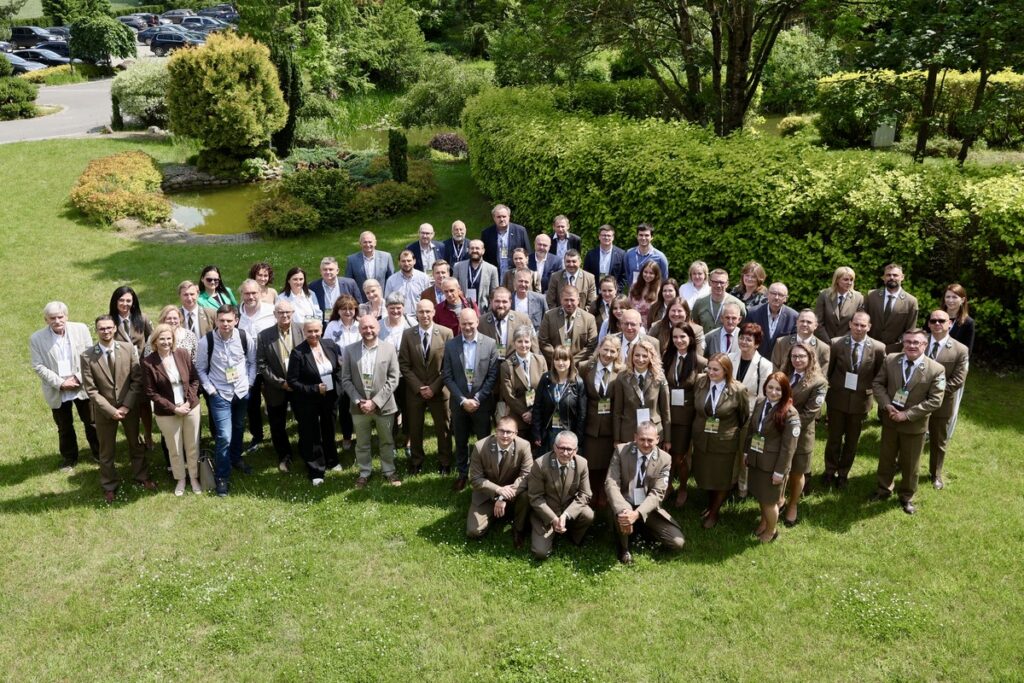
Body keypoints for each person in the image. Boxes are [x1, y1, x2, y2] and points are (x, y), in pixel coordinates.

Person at [871, 328, 946, 514]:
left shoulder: (936, 369)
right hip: (890, 419)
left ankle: (907, 496)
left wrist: (907, 414)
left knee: (910, 463)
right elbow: (878, 384)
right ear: (903, 343)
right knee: (886, 458)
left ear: (925, 345)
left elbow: (935, 400)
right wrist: (887, 406)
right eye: (908, 342)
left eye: (916, 342)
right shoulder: (890, 360)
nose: (911, 346)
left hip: (914, 425)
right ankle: (883, 489)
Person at [81, 315, 155, 502]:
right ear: (96, 331)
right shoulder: (87, 356)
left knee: (135, 444)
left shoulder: (128, 349)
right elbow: (91, 390)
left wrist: (126, 406)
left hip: (129, 407)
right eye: (102, 328)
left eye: (109, 328)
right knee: (106, 451)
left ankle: (142, 476)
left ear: (115, 328)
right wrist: (111, 410)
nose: (106, 331)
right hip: (104, 411)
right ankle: (109, 485)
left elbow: (137, 379)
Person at [29, 301, 98, 471]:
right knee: (64, 426)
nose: (57, 321)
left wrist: (78, 378)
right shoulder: (36, 339)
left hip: (81, 386)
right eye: (52, 318)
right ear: (46, 320)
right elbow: (38, 365)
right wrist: (61, 383)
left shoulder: (81, 329)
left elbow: (90, 356)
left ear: (66, 317)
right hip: (57, 390)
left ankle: (98, 453)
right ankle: (69, 458)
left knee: (92, 421)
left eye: (60, 317)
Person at [196, 305, 257, 497]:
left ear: (236, 320)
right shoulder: (206, 342)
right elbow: (200, 369)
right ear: (216, 321)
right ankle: (222, 476)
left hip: (241, 391)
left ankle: (236, 458)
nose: (225, 324)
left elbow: (252, 362)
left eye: (229, 320)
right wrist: (211, 390)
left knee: (239, 427)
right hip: (220, 394)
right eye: (221, 320)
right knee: (224, 436)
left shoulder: (245, 338)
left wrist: (249, 383)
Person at [605, 422, 685, 564]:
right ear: (635, 437)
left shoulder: (665, 459)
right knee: (624, 515)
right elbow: (611, 483)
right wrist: (624, 510)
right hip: (626, 503)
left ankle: (641, 528)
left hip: (648, 508)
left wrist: (637, 514)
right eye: (642, 439)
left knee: (677, 542)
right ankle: (624, 549)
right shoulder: (621, 451)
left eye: (650, 440)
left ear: (657, 439)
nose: (646, 444)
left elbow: (658, 493)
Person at [822, 311, 885, 488]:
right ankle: (829, 470)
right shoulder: (836, 344)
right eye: (856, 324)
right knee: (834, 438)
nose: (859, 328)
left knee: (852, 440)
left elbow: (879, 374)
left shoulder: (878, 348)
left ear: (869, 327)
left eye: (863, 325)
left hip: (860, 402)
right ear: (850, 324)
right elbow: (829, 370)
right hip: (837, 400)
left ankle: (843, 473)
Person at [443, 308, 501, 491]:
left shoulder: (491, 344)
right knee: (460, 440)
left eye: (470, 323)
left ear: (477, 322)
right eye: (464, 324)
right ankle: (462, 473)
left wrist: (477, 398)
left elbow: (493, 376)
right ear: (459, 324)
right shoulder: (451, 345)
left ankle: (482, 474)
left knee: (483, 441)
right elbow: (447, 376)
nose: (467, 327)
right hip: (459, 404)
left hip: (481, 404)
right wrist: (462, 400)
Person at [341, 315, 402, 488]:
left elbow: (393, 378)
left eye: (371, 327)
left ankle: (389, 471)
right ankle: (364, 472)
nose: (368, 331)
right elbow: (345, 379)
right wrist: (359, 401)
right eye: (364, 327)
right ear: (359, 329)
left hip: (384, 406)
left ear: (378, 328)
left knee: (387, 441)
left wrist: (375, 402)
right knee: (362, 442)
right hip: (359, 406)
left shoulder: (389, 349)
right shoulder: (350, 350)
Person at [141, 324, 201, 496]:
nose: (166, 342)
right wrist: (174, 408)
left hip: (191, 408)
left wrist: (188, 403)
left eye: (169, 338)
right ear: (155, 341)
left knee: (192, 445)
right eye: (162, 339)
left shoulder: (182, 354)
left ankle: (194, 477)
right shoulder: (148, 362)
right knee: (174, 447)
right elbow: (151, 392)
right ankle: (181, 479)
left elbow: (194, 380)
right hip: (167, 413)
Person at [691, 353, 750, 528]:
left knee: (722, 478)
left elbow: (743, 416)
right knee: (707, 475)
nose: (711, 372)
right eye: (709, 368)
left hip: (724, 441)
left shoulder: (738, 390)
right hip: (702, 439)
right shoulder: (700, 383)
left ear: (726, 371)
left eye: (716, 369)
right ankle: (710, 505)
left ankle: (714, 512)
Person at [399, 299, 454, 475]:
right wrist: (419, 387)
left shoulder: (446, 333)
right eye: (421, 312)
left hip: (439, 390)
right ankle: (416, 461)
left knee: (442, 428)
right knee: (415, 428)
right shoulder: (408, 334)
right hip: (415, 392)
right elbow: (404, 364)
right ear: (416, 313)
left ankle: (445, 461)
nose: (425, 315)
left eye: (428, 311)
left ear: (434, 312)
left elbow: (448, 366)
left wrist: (433, 387)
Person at [744, 373, 800, 543]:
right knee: (762, 496)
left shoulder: (790, 413)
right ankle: (764, 521)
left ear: (785, 391)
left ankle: (771, 531)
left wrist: (780, 472)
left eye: (778, 389)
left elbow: (788, 447)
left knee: (769, 501)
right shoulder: (761, 402)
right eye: (770, 387)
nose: (773, 392)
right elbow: (752, 430)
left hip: (773, 465)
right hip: (757, 458)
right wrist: (746, 452)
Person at [287, 318, 343, 486]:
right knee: (311, 434)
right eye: (309, 331)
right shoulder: (298, 353)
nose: (313, 334)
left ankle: (332, 460)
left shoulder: (330, 345)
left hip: (330, 398)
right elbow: (292, 381)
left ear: (322, 330)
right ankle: (316, 469)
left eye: (316, 331)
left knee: (329, 429)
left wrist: (338, 390)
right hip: (308, 400)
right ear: (304, 332)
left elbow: (338, 369)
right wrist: (314, 389)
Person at [778, 343, 827, 527]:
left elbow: (810, 412)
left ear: (810, 358)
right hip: (779, 430)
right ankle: (780, 499)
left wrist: (787, 426)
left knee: (797, 472)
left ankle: (792, 505)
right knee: (782, 467)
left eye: (801, 356)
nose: (797, 360)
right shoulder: (784, 375)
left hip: (800, 433)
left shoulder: (818, 382)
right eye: (794, 356)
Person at [527, 430, 594, 560]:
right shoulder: (540, 464)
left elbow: (585, 494)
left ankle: (573, 537)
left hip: (568, 511)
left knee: (588, 514)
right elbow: (535, 498)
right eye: (561, 448)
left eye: (569, 449)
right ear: (554, 447)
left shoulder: (582, 463)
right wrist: (553, 519)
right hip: (546, 513)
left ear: (575, 450)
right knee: (541, 553)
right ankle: (545, 530)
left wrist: (566, 515)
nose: (565, 453)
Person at [466, 416, 533, 546]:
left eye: (509, 432)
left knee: (526, 495)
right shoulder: (480, 447)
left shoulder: (524, 446)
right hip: (487, 494)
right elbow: (475, 479)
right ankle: (496, 514)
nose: (505, 435)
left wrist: (502, 497)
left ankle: (518, 529)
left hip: (513, 493)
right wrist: (497, 490)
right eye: (501, 431)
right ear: (495, 431)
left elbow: (527, 475)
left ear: (516, 434)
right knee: (474, 532)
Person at [924, 309, 970, 490]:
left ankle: (935, 474)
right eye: (933, 321)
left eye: (941, 321)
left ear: (949, 324)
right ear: (928, 324)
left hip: (942, 402)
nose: (937, 324)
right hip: (916, 401)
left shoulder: (960, 350)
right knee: (910, 436)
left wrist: (935, 394)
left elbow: (958, 379)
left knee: (938, 440)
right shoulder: (918, 342)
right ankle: (902, 465)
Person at [663, 323, 707, 508]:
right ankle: (666, 487)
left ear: (690, 339)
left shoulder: (700, 362)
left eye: (683, 337)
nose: (679, 340)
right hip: (667, 414)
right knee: (666, 454)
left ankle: (682, 487)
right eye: (675, 337)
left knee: (679, 456)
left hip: (686, 418)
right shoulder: (667, 357)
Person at [257, 300, 301, 472]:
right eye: (280, 312)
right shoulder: (264, 336)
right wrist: (280, 383)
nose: (284, 315)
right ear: (274, 314)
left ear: (293, 312)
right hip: (276, 387)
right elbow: (262, 364)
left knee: (305, 420)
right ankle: (284, 455)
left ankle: (306, 451)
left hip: (299, 386)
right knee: (277, 424)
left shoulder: (302, 330)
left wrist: (297, 382)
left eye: (287, 312)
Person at [579, 336, 623, 508]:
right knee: (590, 463)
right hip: (589, 424)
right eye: (605, 349)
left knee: (606, 463)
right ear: (599, 348)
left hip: (609, 427)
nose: (608, 354)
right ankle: (590, 492)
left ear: (618, 353)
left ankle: (603, 493)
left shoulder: (622, 371)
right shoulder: (585, 367)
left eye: (613, 351)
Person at [110, 285, 154, 449]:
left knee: (144, 404)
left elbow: (153, 340)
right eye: (121, 300)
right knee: (128, 405)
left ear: (133, 302)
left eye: (129, 300)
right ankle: (133, 438)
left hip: (141, 369)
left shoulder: (142, 318)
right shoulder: (110, 321)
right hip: (120, 371)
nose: (125, 303)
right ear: (115, 301)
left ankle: (148, 435)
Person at [238, 278, 276, 452]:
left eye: (254, 293)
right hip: (246, 365)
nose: (250, 296)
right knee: (252, 402)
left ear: (261, 293)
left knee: (275, 401)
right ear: (242, 295)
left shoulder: (272, 311)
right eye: (247, 293)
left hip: (269, 363)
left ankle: (277, 435)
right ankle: (257, 436)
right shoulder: (237, 314)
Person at [612, 338, 670, 448]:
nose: (640, 359)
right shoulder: (622, 377)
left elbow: (666, 411)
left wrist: (668, 439)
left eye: (645, 356)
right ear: (631, 356)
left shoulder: (659, 377)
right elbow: (617, 411)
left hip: (653, 434)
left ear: (651, 357)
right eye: (637, 355)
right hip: (628, 433)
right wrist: (616, 438)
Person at [531, 346, 586, 455]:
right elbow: (537, 407)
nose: (561, 363)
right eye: (557, 359)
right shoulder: (545, 379)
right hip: (548, 433)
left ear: (570, 361)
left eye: (564, 359)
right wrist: (537, 433)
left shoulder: (577, 382)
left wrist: (578, 439)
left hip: (568, 433)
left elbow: (582, 414)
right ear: (553, 361)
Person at [323, 295, 360, 451]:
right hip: (337, 371)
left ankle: (356, 435)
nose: (347, 312)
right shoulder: (332, 326)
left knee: (354, 405)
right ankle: (345, 436)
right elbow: (325, 346)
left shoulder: (359, 325)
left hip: (357, 370)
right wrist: (336, 360)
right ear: (337, 311)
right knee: (341, 404)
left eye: (351, 308)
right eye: (343, 309)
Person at [499, 325, 547, 441]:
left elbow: (545, 388)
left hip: (538, 414)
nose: (523, 345)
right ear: (514, 343)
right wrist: (525, 413)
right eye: (519, 341)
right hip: (518, 416)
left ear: (531, 342)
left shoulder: (540, 360)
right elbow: (509, 395)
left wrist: (533, 412)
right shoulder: (506, 366)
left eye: (526, 341)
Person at [864, 263, 920, 352]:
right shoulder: (871, 296)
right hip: (869, 347)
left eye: (895, 275)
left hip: (894, 351)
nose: (892, 278)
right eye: (888, 275)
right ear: (883, 277)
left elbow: (910, 330)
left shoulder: (911, 301)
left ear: (902, 277)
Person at [538, 285, 599, 367]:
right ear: (561, 300)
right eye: (566, 300)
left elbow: (591, 346)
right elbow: (543, 341)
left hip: (578, 368)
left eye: (572, 300)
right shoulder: (549, 316)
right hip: (555, 366)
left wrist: (571, 362)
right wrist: (559, 359)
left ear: (578, 300)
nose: (569, 303)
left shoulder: (589, 319)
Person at [942, 283, 973, 441]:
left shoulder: (967, 323)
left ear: (962, 300)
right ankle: (926, 430)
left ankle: (945, 433)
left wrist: (960, 371)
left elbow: (967, 350)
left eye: (955, 297)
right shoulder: (936, 317)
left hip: (955, 366)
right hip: (935, 364)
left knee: (951, 402)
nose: (951, 300)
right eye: (948, 296)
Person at [478, 287, 535, 359]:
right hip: (489, 367)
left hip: (514, 367)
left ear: (510, 302)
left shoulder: (523, 320)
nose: (501, 305)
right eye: (497, 301)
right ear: (491, 301)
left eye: (504, 302)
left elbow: (534, 347)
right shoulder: (481, 322)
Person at [744, 282, 797, 358]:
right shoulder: (753, 313)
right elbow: (747, 338)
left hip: (781, 363)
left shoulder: (793, 317)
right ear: (767, 295)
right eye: (773, 293)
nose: (776, 297)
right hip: (756, 361)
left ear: (785, 299)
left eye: (781, 295)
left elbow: (793, 344)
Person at [771, 309, 830, 375]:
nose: (805, 324)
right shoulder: (781, 343)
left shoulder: (823, 349)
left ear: (815, 326)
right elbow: (774, 368)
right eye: (802, 321)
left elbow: (822, 376)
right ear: (796, 323)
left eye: (809, 322)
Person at [481, 204, 531, 281]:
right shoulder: (486, 233)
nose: (501, 219)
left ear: (509, 217)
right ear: (494, 218)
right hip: (494, 275)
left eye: (504, 216)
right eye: (498, 217)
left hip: (516, 275)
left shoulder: (520, 231)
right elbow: (484, 256)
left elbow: (528, 253)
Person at [814, 266, 864, 342]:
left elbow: (858, 324)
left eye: (851, 280)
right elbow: (818, 322)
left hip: (847, 343)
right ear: (837, 280)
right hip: (825, 342)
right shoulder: (824, 295)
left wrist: (841, 342)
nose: (849, 283)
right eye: (846, 279)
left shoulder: (858, 298)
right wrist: (828, 341)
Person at [345, 231, 395, 301]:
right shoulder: (352, 260)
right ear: (360, 244)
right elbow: (348, 282)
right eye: (365, 242)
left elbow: (391, 279)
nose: (368, 245)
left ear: (375, 243)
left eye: (370, 242)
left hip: (381, 300)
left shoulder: (386, 257)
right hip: (360, 300)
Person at [308, 256, 362, 320]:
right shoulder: (313, 286)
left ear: (337, 271)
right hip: (324, 324)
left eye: (331, 269)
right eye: (325, 269)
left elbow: (359, 304)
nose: (328, 272)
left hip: (347, 322)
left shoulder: (350, 284)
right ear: (320, 271)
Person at [453, 239, 500, 311]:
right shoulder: (458, 266)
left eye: (477, 248)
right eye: (472, 248)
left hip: (483, 311)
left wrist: (489, 311)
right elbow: (454, 288)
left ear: (483, 251)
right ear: (468, 250)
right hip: (462, 310)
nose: (474, 250)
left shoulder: (492, 269)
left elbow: (494, 293)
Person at [624, 223, 670, 289]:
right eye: (641, 235)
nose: (643, 238)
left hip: (652, 295)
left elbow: (664, 278)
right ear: (637, 236)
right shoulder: (629, 254)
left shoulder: (660, 257)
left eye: (646, 235)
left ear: (652, 237)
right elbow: (627, 274)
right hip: (634, 293)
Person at [583, 224, 627, 290]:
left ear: (613, 237)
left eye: (609, 235)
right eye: (603, 235)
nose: (606, 238)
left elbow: (624, 275)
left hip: (613, 293)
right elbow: (586, 273)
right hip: (595, 292)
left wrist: (617, 290)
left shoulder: (621, 254)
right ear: (599, 237)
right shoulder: (590, 254)